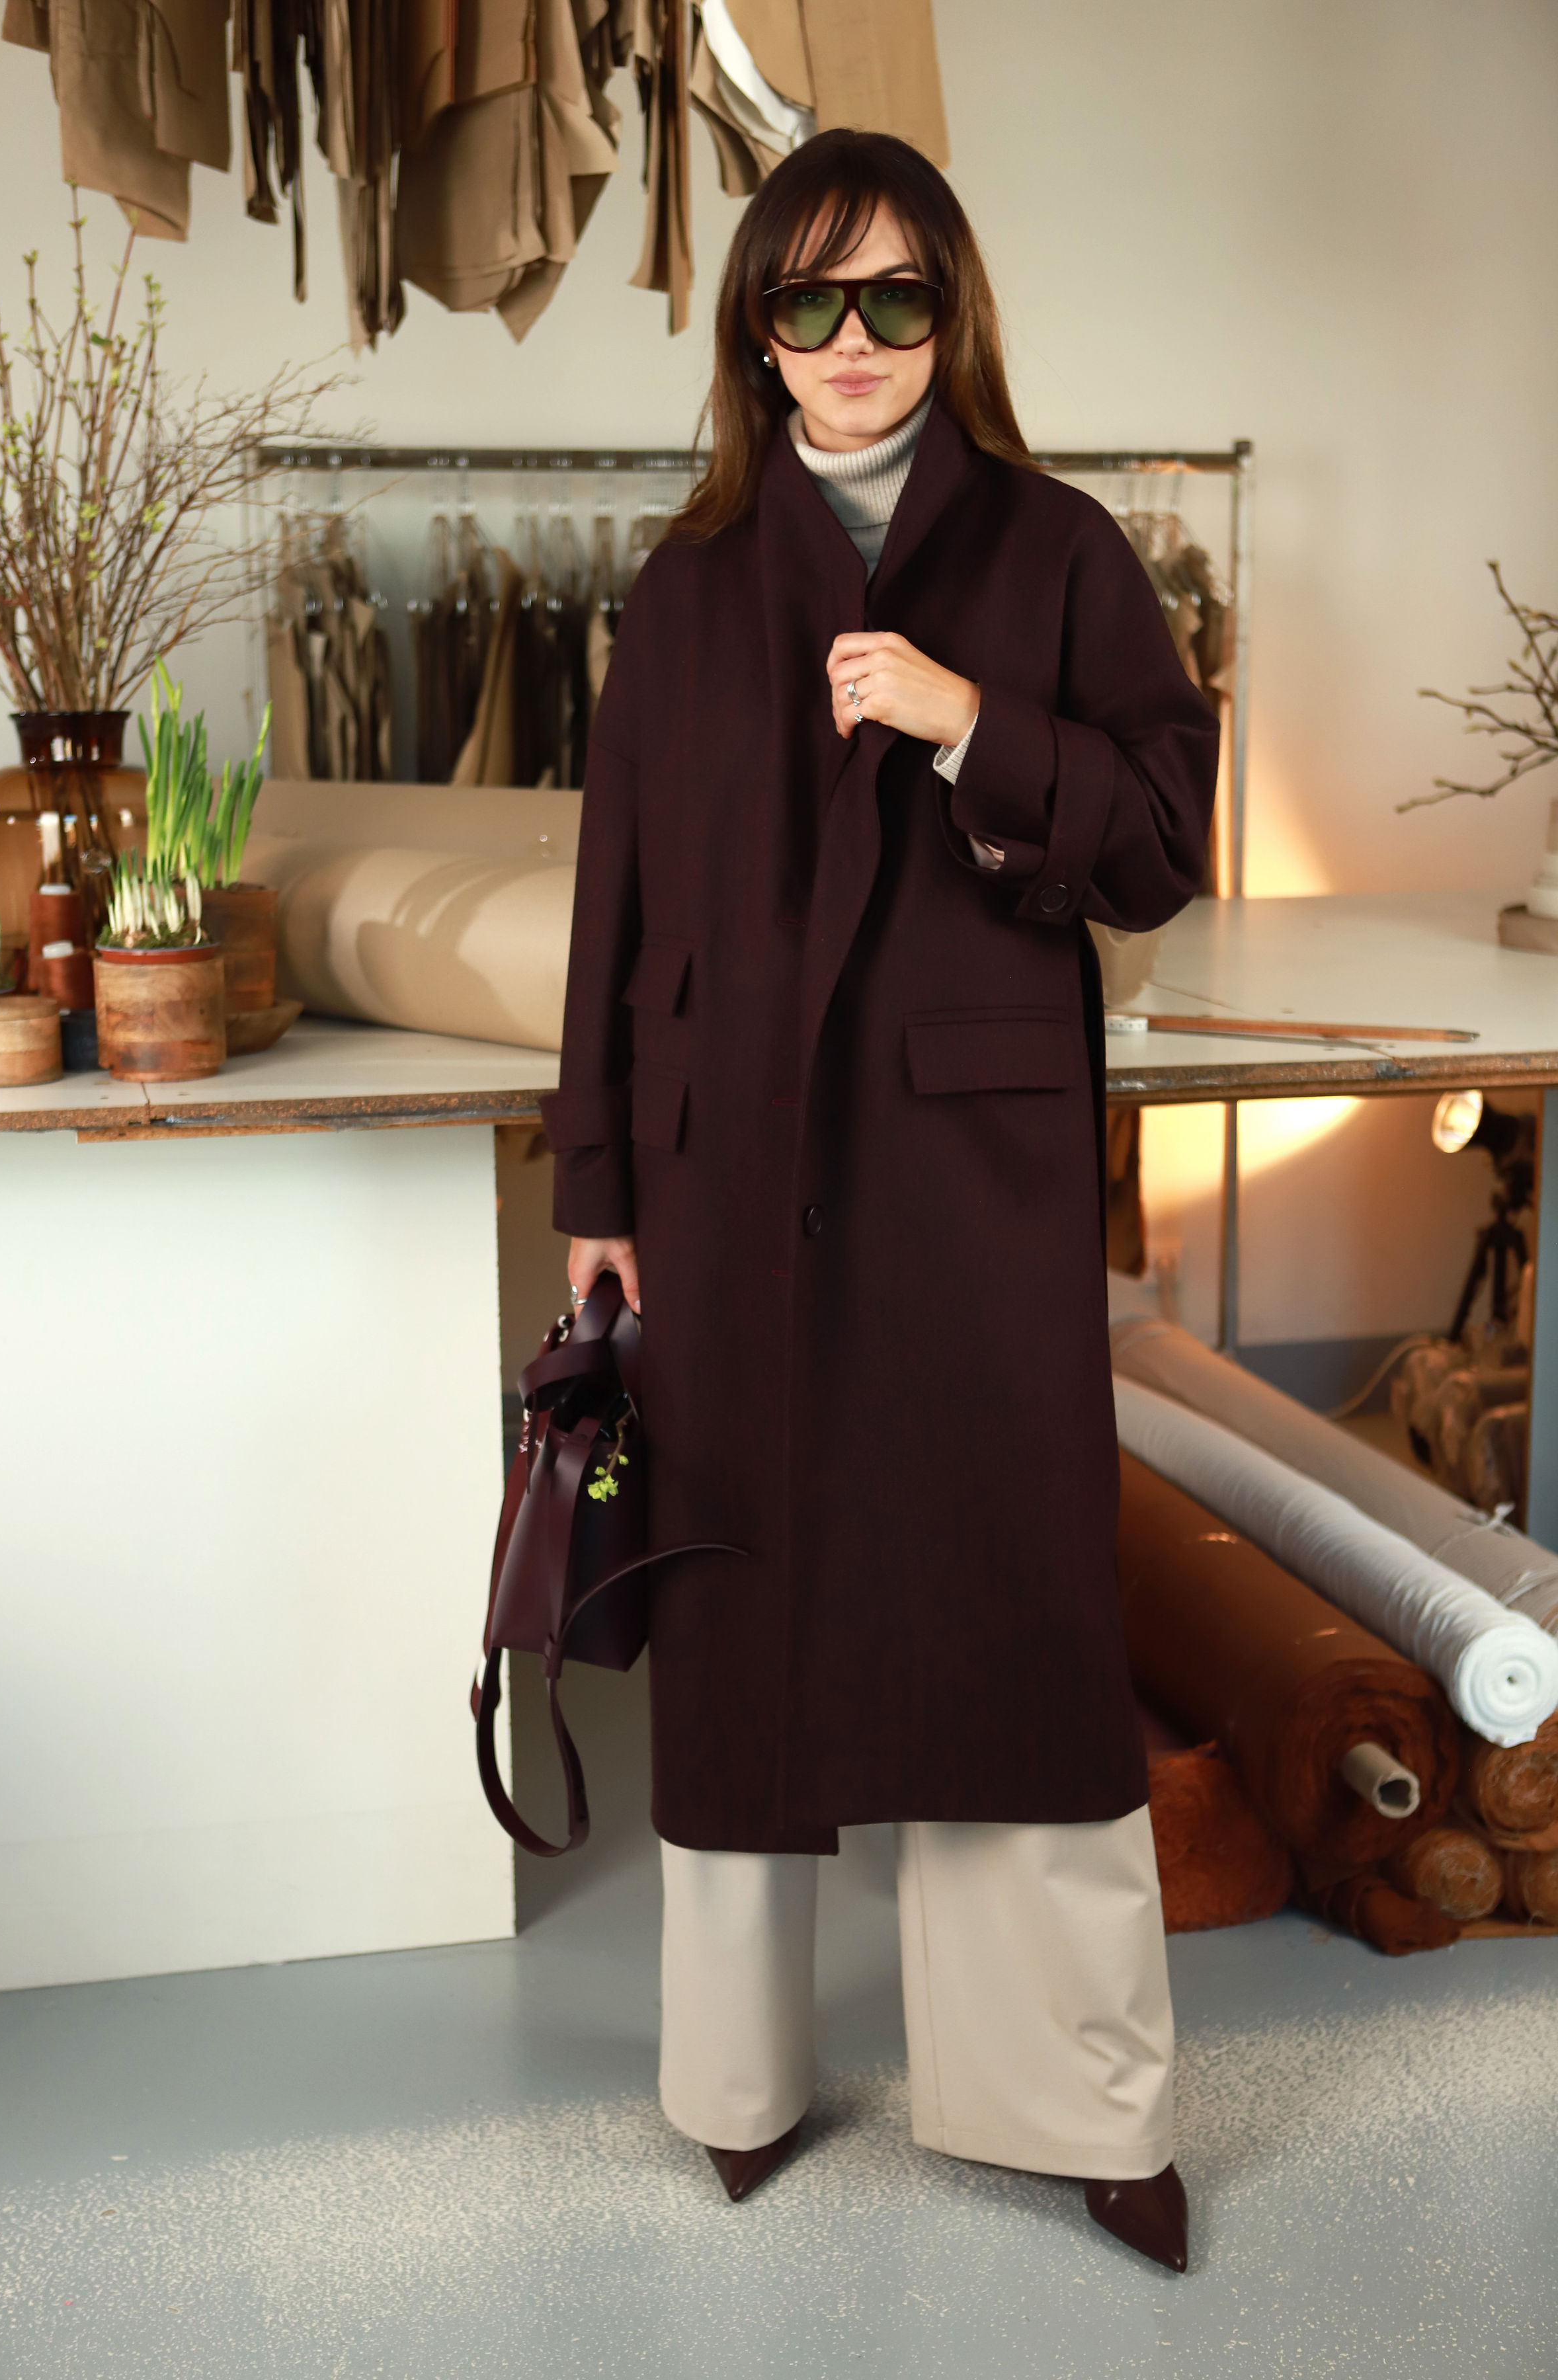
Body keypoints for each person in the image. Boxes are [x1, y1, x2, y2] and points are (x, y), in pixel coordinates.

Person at [540, 128, 1218, 2274]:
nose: (854, 341)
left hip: (967, 1170)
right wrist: (595, 1178)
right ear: (757, 328)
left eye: (897, 297)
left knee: (1013, 1604)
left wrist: (969, 722)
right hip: (723, 1171)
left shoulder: (1060, 551)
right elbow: (613, 898)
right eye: (809, 299)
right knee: (741, 1604)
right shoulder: (684, 584)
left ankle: (1078, 2099)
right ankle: (741, 2084)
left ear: (953, 313)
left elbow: (1162, 845)